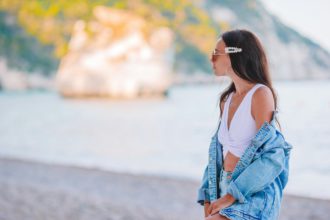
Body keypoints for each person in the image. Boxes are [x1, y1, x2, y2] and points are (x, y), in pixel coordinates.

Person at [196, 29, 293, 219]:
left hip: (251, 192)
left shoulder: (260, 94)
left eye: (216, 53)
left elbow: (274, 154)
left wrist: (231, 196)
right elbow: (217, 152)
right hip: (223, 187)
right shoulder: (227, 99)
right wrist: (207, 195)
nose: (211, 58)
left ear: (234, 55)